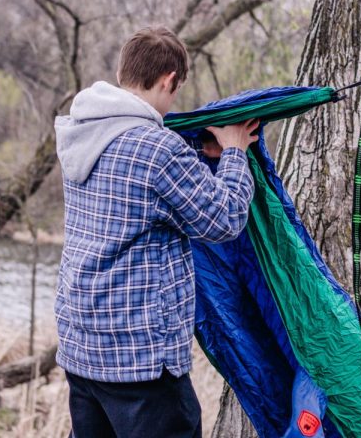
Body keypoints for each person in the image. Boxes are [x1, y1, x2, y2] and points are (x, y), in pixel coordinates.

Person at [53, 25, 258, 438]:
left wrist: (204, 158)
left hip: (82, 348)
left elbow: (145, 199)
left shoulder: (78, 132)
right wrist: (235, 151)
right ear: (169, 80)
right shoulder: (156, 147)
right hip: (140, 361)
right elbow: (224, 219)